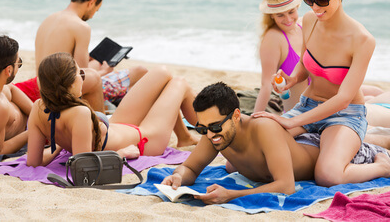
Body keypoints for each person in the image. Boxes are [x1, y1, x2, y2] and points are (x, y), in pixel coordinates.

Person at [251, 0, 383, 187]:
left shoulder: (362, 40)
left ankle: (382, 164)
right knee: (251, 158)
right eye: (308, 0)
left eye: (321, 0)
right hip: (307, 105)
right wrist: (293, 78)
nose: (314, 8)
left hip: (345, 114)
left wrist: (291, 121)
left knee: (328, 176)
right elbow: (305, 62)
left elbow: (342, 99)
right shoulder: (310, 22)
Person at [161, 82, 390, 204]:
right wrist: (178, 177)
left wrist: (230, 195)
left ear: (236, 116)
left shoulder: (263, 128)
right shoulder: (216, 133)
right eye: (203, 128)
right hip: (292, 143)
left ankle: (383, 165)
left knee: (378, 143)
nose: (210, 135)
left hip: (317, 148)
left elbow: (285, 186)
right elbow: (190, 167)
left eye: (214, 127)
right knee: (232, 165)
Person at [26, 53, 199, 167]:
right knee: (179, 82)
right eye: (81, 75)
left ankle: (184, 136)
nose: (82, 79)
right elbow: (84, 167)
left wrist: (60, 146)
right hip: (145, 140)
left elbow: (33, 163)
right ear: (70, 83)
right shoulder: (80, 113)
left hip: (117, 125)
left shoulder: (38, 107)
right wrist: (119, 154)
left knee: (162, 73)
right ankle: (208, 123)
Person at [16, 0, 147, 111]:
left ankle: (114, 101)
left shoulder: (49, 19)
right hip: (63, 90)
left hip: (42, 84)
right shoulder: (81, 27)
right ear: (91, 3)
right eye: (96, 9)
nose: (93, 14)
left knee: (97, 63)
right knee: (141, 71)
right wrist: (104, 72)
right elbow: (85, 76)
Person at [254, 0, 308, 113]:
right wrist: (254, 119)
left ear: (298, 7)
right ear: (272, 16)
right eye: (280, 15)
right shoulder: (273, 38)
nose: (288, 19)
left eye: (291, 12)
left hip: (322, 105)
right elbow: (266, 84)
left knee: (368, 92)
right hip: (299, 114)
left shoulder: (305, 25)